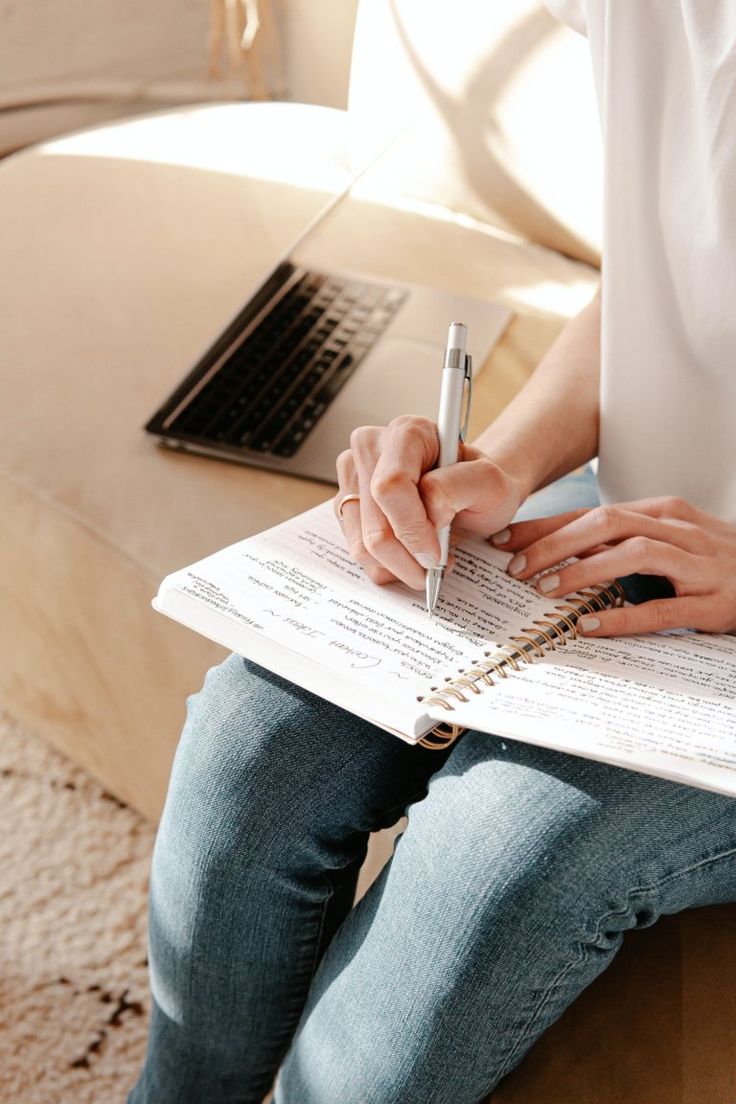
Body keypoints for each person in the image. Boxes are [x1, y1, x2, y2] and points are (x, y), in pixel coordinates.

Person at [129, 1, 736, 1101]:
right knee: (254, 734)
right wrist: (500, 465)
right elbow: (669, 277)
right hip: (628, 515)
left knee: (494, 850)